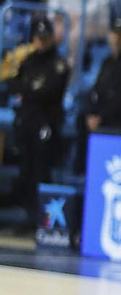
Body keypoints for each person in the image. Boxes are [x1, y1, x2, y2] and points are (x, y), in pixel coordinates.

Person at [7, 16, 70, 210]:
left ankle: (39, 216)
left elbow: (49, 91)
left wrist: (27, 90)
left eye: (44, 38)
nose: (41, 42)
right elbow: (12, 83)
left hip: (46, 122)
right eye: (38, 38)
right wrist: (30, 89)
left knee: (41, 170)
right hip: (26, 120)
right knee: (24, 167)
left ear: (51, 38)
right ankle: (24, 212)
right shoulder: (29, 60)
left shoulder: (58, 63)